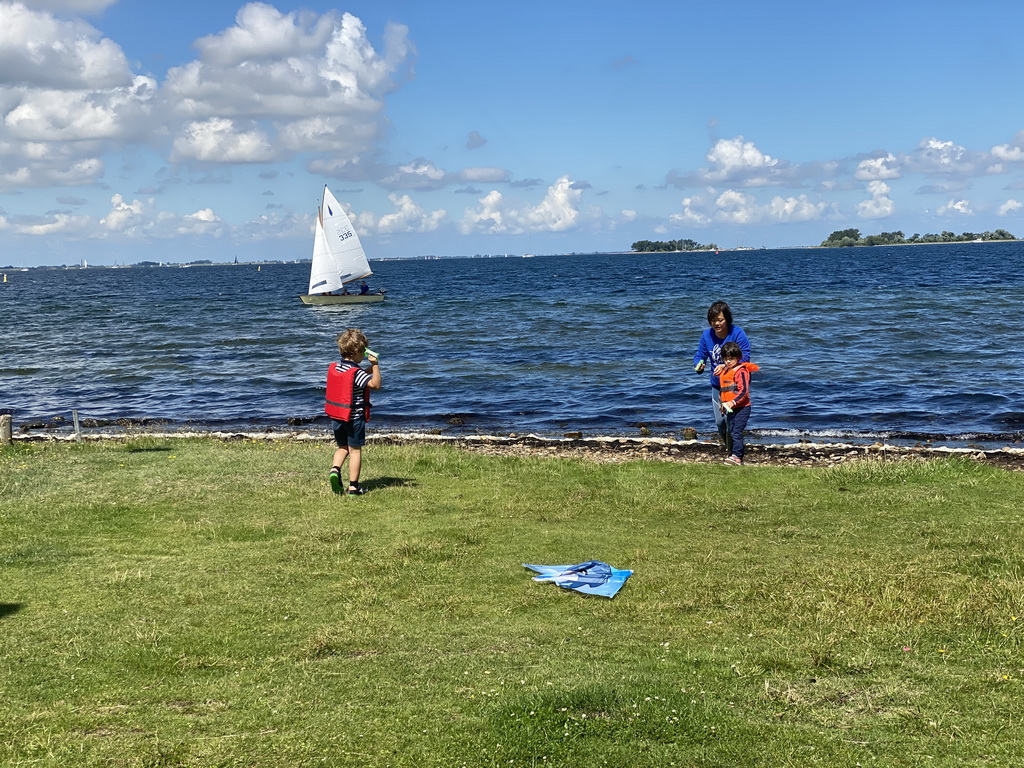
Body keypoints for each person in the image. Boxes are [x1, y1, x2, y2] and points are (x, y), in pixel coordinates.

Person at [325, 328, 382, 495]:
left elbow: (352, 381)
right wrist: (375, 366)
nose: (364, 355)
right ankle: (353, 487)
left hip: (337, 416)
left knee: (343, 447)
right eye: (363, 352)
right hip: (354, 418)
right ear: (357, 352)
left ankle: (335, 470)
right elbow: (375, 385)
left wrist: (367, 370)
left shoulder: (337, 368)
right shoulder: (356, 372)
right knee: (355, 450)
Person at [693, 301, 751, 450]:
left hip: (735, 385)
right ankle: (730, 448)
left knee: (731, 421)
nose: (716, 323)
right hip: (717, 385)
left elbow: (745, 359)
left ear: (727, 319)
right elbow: (700, 354)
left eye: (720, 320)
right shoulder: (706, 335)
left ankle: (734, 453)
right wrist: (699, 364)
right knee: (720, 422)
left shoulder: (737, 333)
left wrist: (725, 365)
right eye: (713, 320)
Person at [718, 341, 759, 465]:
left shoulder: (741, 371)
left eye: (731, 359)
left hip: (742, 408)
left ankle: (737, 456)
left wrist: (732, 402)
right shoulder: (725, 371)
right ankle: (733, 454)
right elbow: (723, 391)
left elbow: (744, 391)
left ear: (738, 358)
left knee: (736, 432)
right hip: (729, 407)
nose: (728, 362)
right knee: (731, 431)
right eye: (725, 359)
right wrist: (723, 405)